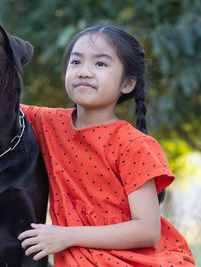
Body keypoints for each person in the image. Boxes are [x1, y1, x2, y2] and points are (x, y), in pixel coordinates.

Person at [17, 25, 195, 266]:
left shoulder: (134, 145)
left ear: (128, 83)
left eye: (100, 64)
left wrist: (66, 236)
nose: (84, 72)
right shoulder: (48, 123)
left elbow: (147, 230)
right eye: (76, 62)